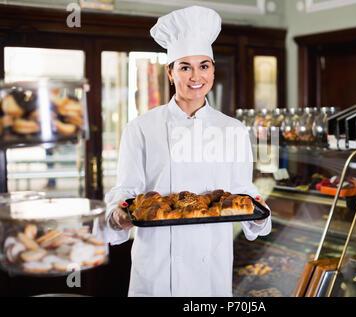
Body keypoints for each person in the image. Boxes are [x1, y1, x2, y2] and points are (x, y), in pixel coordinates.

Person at [104, 5, 271, 297]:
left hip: (212, 267)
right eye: (185, 67)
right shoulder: (141, 128)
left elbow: (242, 193)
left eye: (204, 66)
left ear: (213, 70)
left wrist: (259, 216)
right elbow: (125, 191)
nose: (196, 76)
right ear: (170, 73)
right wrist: (117, 216)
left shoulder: (233, 129)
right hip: (157, 268)